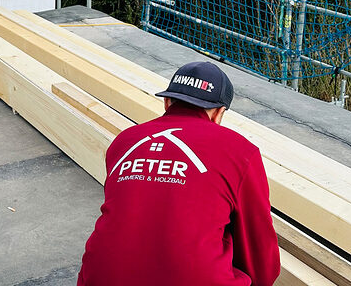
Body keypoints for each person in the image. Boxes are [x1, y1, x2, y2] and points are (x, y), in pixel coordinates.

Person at [77, 61, 280, 286]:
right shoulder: (241, 152)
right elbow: (258, 252)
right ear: (219, 113)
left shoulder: (124, 141)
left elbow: (131, 215)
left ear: (167, 102)